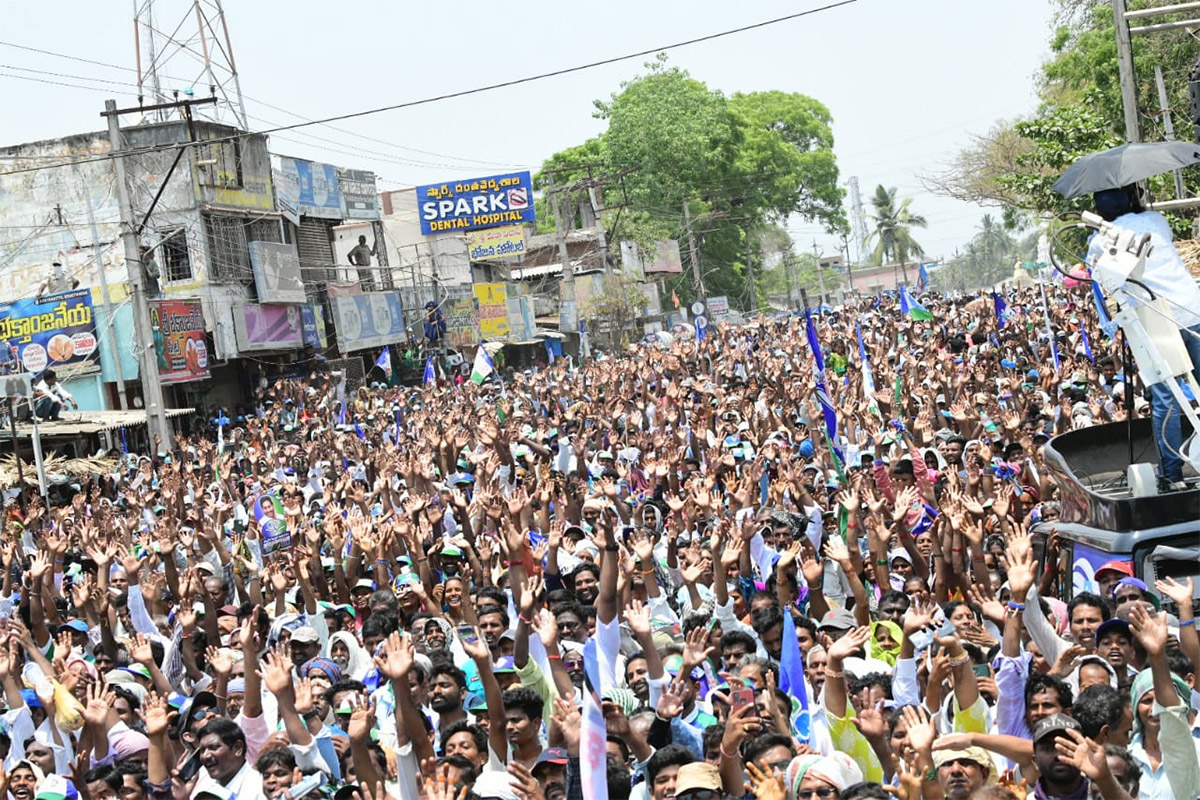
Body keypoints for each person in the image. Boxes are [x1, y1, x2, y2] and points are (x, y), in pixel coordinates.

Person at [1088, 184, 1200, 489]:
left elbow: (1097, 276)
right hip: (1192, 307)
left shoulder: (1099, 240)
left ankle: (1173, 476)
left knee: (1167, 398)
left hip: (1156, 319)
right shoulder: (1156, 221)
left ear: (1098, 212)